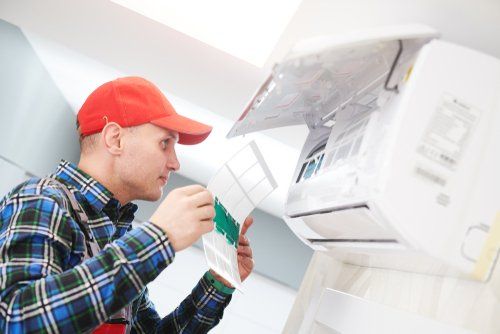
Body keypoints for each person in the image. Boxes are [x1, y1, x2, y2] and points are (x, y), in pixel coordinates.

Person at [0, 76, 255, 333]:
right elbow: (15, 320)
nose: (175, 163)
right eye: (165, 143)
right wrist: (157, 238)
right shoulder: (42, 201)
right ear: (115, 139)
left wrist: (219, 282)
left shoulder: (116, 238)